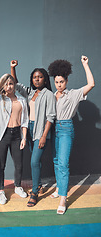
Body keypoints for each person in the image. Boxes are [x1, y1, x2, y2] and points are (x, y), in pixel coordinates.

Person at [48, 56, 95, 214]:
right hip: (55, 128)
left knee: (63, 163)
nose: (59, 84)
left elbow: (91, 84)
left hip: (67, 128)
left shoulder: (74, 94)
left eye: (62, 82)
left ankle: (63, 198)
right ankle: (59, 188)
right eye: (57, 82)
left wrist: (85, 64)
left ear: (66, 81)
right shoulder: (53, 96)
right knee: (56, 161)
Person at [11, 60, 56, 207]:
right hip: (29, 130)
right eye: (34, 77)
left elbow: (50, 117)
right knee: (35, 161)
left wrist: (44, 136)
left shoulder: (49, 94)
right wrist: (13, 68)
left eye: (40, 77)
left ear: (45, 79)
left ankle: (35, 192)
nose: (37, 79)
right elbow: (16, 85)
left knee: (34, 162)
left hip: (40, 130)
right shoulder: (30, 93)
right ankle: (40, 183)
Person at [0, 59, 28, 205]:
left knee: (19, 164)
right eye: (6, 84)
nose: (9, 86)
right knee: (1, 164)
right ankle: (1, 191)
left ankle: (18, 186)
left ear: (14, 85)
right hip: (2, 136)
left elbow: (25, 120)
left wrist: (24, 137)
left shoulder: (22, 99)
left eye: (11, 83)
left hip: (17, 135)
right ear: (3, 86)